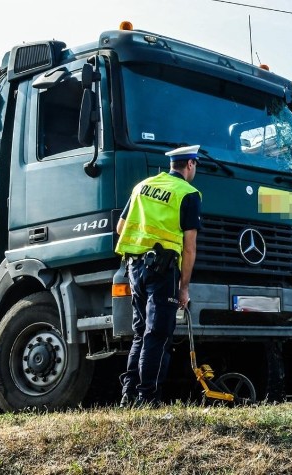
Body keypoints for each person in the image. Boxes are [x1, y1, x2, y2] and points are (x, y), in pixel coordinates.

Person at [115, 145, 203, 406]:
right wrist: (183, 288)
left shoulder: (142, 186)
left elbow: (121, 227)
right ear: (190, 165)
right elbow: (189, 247)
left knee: (141, 333)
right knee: (157, 334)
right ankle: (148, 398)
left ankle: (128, 396)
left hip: (135, 267)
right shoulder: (188, 193)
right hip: (162, 272)